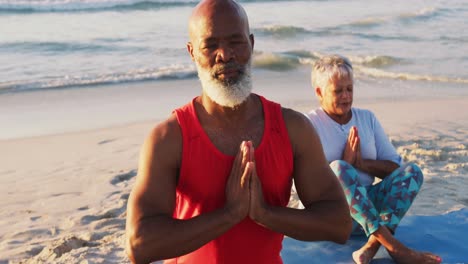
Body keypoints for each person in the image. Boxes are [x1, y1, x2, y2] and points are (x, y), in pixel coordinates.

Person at [125, 1, 352, 263]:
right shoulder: (170, 138)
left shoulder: (292, 129)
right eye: (210, 45)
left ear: (251, 44)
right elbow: (139, 245)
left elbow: (338, 224)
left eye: (236, 42)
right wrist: (230, 214)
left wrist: (264, 213)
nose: (225, 54)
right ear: (192, 53)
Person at [307, 54, 442, 264]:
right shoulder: (309, 124)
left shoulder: (367, 118)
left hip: (372, 214)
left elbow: (395, 169)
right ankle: (395, 248)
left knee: (412, 172)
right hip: (334, 215)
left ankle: (372, 245)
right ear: (319, 92)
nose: (345, 96)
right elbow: (307, 182)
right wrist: (344, 167)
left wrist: (362, 164)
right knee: (338, 168)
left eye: (349, 89)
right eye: (338, 91)